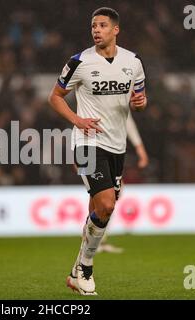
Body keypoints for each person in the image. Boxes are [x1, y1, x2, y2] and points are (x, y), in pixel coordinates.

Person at [48, 7, 147, 295]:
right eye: (93, 25)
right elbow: (54, 97)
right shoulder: (79, 61)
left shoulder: (133, 62)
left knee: (98, 210)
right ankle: (86, 268)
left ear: (115, 29)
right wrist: (77, 120)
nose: (96, 30)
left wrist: (140, 103)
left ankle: (75, 272)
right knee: (106, 204)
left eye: (102, 25)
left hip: (117, 145)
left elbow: (139, 98)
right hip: (86, 142)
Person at [97, 113, 149, 253]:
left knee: (109, 194)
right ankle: (94, 241)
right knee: (103, 194)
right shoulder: (103, 97)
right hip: (95, 147)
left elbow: (127, 120)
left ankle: (97, 240)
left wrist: (140, 148)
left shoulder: (119, 97)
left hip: (110, 149)